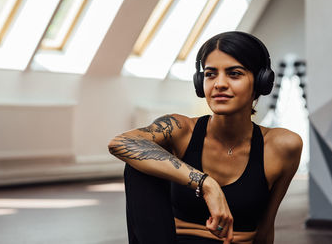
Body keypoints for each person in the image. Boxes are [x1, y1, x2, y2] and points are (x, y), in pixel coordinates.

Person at [108, 31, 302, 244]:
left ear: (260, 81)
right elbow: (120, 143)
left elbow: (265, 229)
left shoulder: (282, 146)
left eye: (234, 74)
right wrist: (206, 184)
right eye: (210, 74)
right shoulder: (180, 129)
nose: (219, 84)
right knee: (138, 161)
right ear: (200, 82)